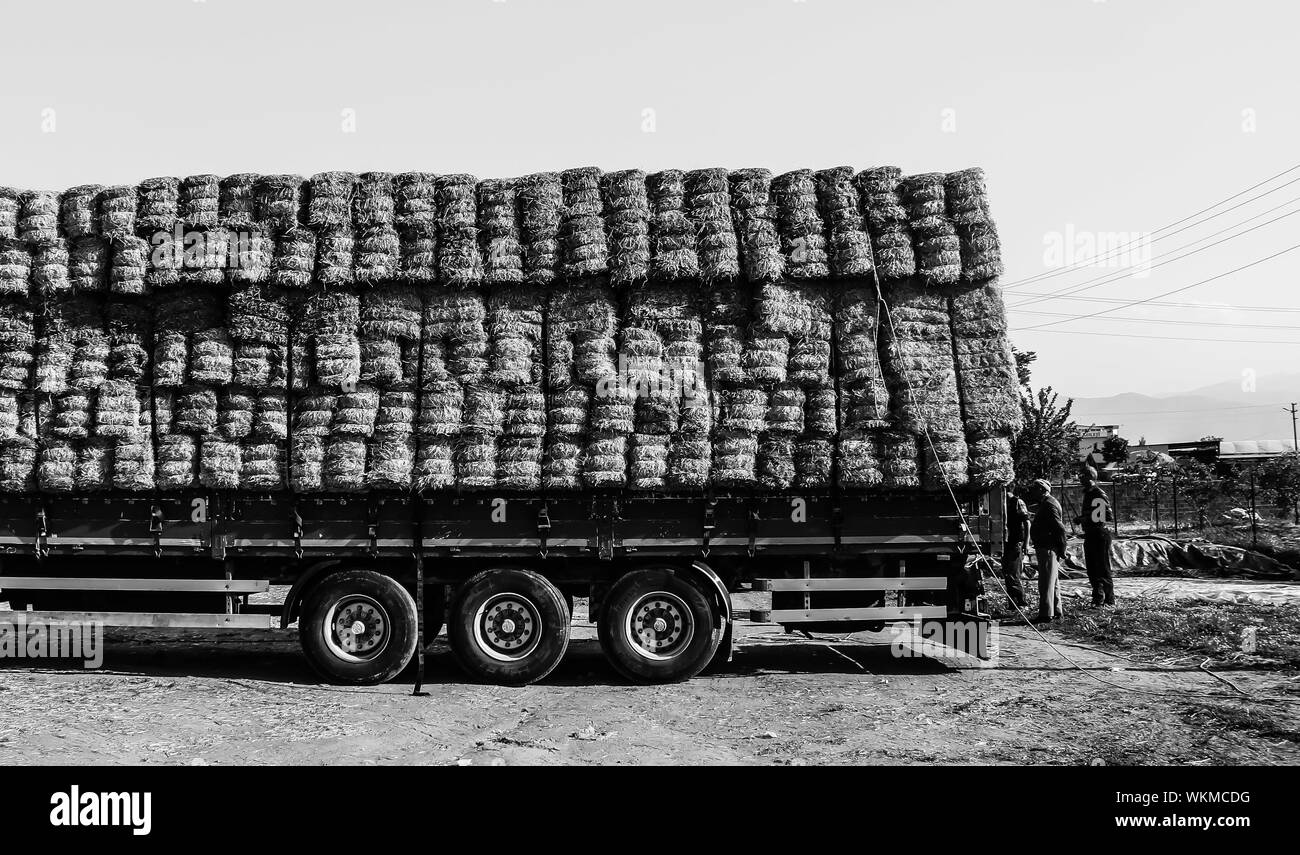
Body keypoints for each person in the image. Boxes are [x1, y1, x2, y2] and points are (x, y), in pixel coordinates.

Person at [1027, 478, 1067, 622]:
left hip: (1048, 547)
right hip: (1047, 547)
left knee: (1046, 582)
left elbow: (1060, 528)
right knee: (1053, 581)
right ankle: (1056, 611)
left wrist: (1063, 548)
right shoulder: (1047, 503)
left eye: (1036, 489)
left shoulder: (1049, 505)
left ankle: (1046, 614)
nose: (1033, 492)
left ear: (1043, 490)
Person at [1076, 466, 1116, 606]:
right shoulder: (1088, 493)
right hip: (1090, 534)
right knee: (1092, 568)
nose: (1079, 478)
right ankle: (1097, 598)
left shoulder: (1097, 493)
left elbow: (1106, 515)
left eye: (1082, 475)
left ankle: (1109, 599)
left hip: (1099, 534)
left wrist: (1084, 519)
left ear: (1089, 476)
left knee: (1102, 568)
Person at [1001, 485, 1030, 608]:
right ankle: (1012, 604)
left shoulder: (1017, 502)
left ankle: (1021, 602)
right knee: (1007, 573)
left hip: (1015, 542)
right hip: (1006, 543)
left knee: (1013, 573)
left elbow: (1027, 522)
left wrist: (1026, 543)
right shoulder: (1001, 503)